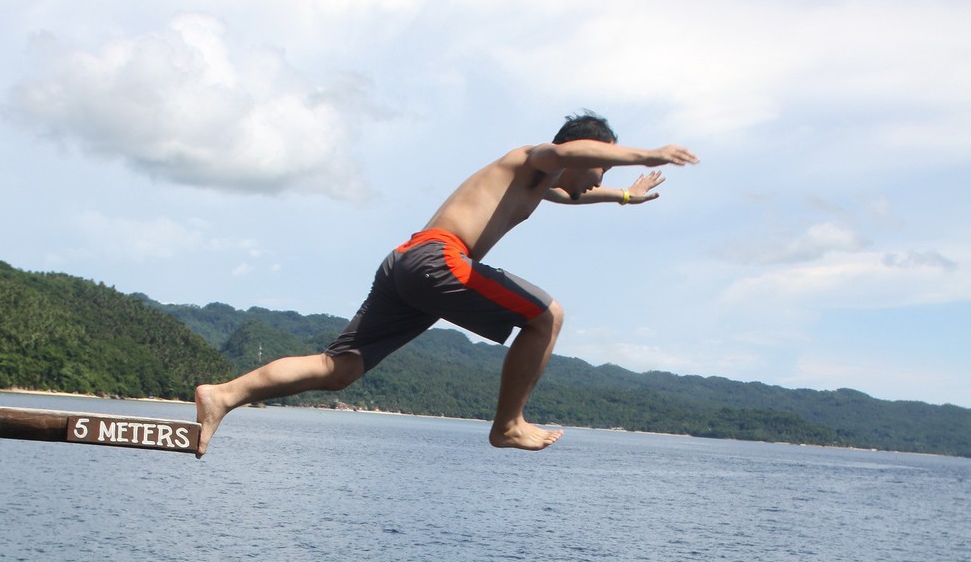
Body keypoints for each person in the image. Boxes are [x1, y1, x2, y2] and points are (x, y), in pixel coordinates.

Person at [194, 112, 699, 457]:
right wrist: (648, 154)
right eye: (603, 166)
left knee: (340, 367)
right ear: (582, 152)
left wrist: (624, 199)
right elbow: (565, 150)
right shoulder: (531, 159)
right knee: (547, 316)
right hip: (439, 260)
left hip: (407, 263)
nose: (603, 175)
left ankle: (222, 395)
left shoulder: (544, 186)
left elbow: (574, 195)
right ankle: (507, 425)